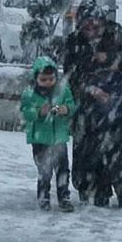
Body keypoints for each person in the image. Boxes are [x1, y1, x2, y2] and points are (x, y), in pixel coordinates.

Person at [61, 0, 122, 208]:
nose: (92, 29)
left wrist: (112, 60)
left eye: (96, 24)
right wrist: (90, 89)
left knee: (117, 149)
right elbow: (69, 75)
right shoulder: (74, 42)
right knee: (87, 150)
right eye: (87, 26)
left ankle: (120, 188)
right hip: (87, 107)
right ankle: (90, 190)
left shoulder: (115, 33)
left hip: (117, 104)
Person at [20, 56, 77, 212]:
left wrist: (66, 109)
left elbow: (72, 105)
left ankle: (64, 197)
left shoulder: (62, 91)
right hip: (40, 139)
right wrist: (38, 112)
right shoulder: (30, 94)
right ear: (36, 78)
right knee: (44, 170)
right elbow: (25, 112)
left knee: (63, 169)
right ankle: (43, 196)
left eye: (51, 79)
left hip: (59, 137)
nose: (48, 83)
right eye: (43, 79)